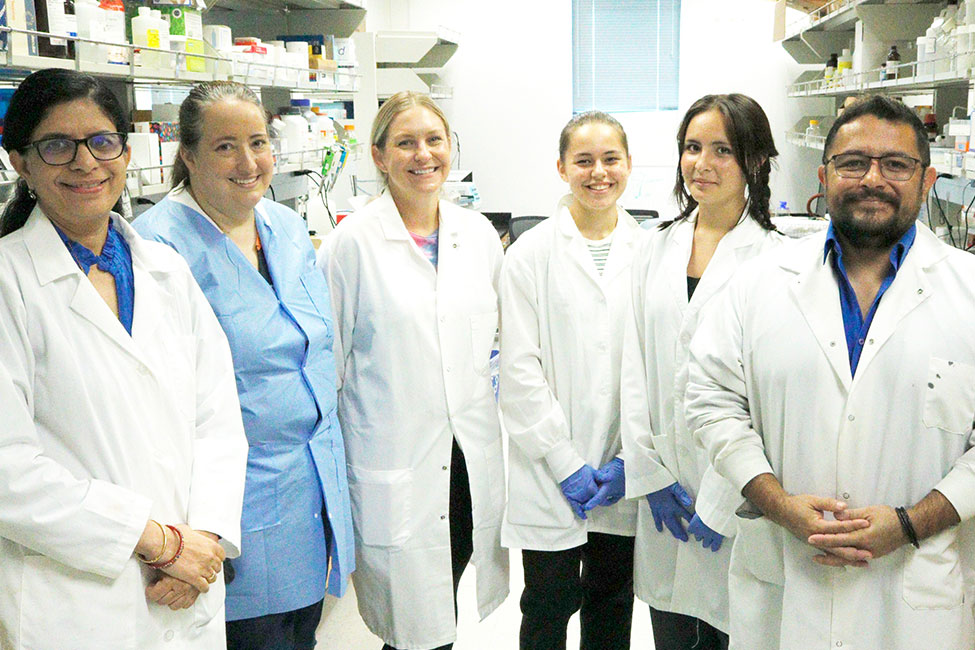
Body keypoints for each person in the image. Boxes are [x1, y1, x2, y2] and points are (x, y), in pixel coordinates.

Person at [686, 94, 975, 649]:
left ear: (927, 180)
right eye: (853, 163)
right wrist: (777, 503)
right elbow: (711, 401)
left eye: (896, 165)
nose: (873, 179)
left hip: (914, 598)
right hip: (786, 589)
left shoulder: (969, 290)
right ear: (824, 176)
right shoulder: (757, 282)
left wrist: (910, 523)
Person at [0, 68, 247, 649]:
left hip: (187, 587)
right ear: (20, 163)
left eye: (101, 141)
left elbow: (217, 419)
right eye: (57, 146)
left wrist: (204, 538)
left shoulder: (166, 270)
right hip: (76, 601)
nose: (85, 162)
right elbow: (7, 468)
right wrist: (159, 542)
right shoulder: (9, 283)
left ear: (126, 153)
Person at [133, 81, 355, 650]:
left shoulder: (285, 226)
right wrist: (178, 538)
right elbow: (151, 409)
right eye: (225, 146)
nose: (248, 162)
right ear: (188, 155)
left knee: (300, 635)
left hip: (310, 491)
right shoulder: (156, 249)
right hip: (225, 510)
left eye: (258, 142)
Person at [321, 90, 509, 650]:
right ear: (379, 156)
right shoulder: (350, 244)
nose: (423, 154)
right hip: (395, 464)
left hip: (467, 460)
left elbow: (497, 342)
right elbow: (328, 368)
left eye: (434, 140)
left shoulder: (478, 235)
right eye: (406, 143)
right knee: (413, 630)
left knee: (444, 595)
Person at [620, 93, 783, 650]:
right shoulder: (654, 246)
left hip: (731, 492)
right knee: (668, 628)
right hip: (663, 486)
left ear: (755, 160)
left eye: (722, 150)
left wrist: (720, 497)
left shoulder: (775, 259)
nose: (702, 164)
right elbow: (633, 367)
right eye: (692, 148)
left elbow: (764, 395)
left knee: (727, 629)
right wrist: (650, 474)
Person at [499, 111, 639, 650]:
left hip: (622, 469)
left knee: (613, 603)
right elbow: (518, 370)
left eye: (610, 159)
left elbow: (656, 367)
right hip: (549, 472)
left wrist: (631, 459)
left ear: (628, 165)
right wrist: (564, 462)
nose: (598, 172)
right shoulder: (529, 255)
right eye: (583, 160)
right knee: (547, 604)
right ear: (561, 168)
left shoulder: (649, 252)